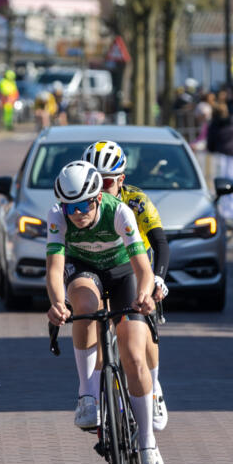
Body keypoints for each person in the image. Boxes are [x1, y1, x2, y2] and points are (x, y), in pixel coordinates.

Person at [45, 160, 165, 464]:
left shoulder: (119, 212)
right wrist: (57, 302)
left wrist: (145, 295)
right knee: (83, 305)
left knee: (134, 353)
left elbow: (143, 267)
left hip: (122, 271)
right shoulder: (59, 215)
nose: (77, 213)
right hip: (83, 269)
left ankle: (147, 445)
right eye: (70, 206)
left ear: (98, 197)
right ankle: (87, 395)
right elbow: (55, 269)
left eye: (83, 204)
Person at [82, 140, 170, 431]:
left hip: (135, 266)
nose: (98, 187)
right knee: (96, 322)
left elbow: (159, 242)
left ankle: (154, 390)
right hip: (101, 266)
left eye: (105, 182)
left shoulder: (136, 200)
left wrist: (157, 278)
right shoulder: (85, 203)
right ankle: (94, 394)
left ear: (121, 179)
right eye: (93, 179)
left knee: (142, 329)